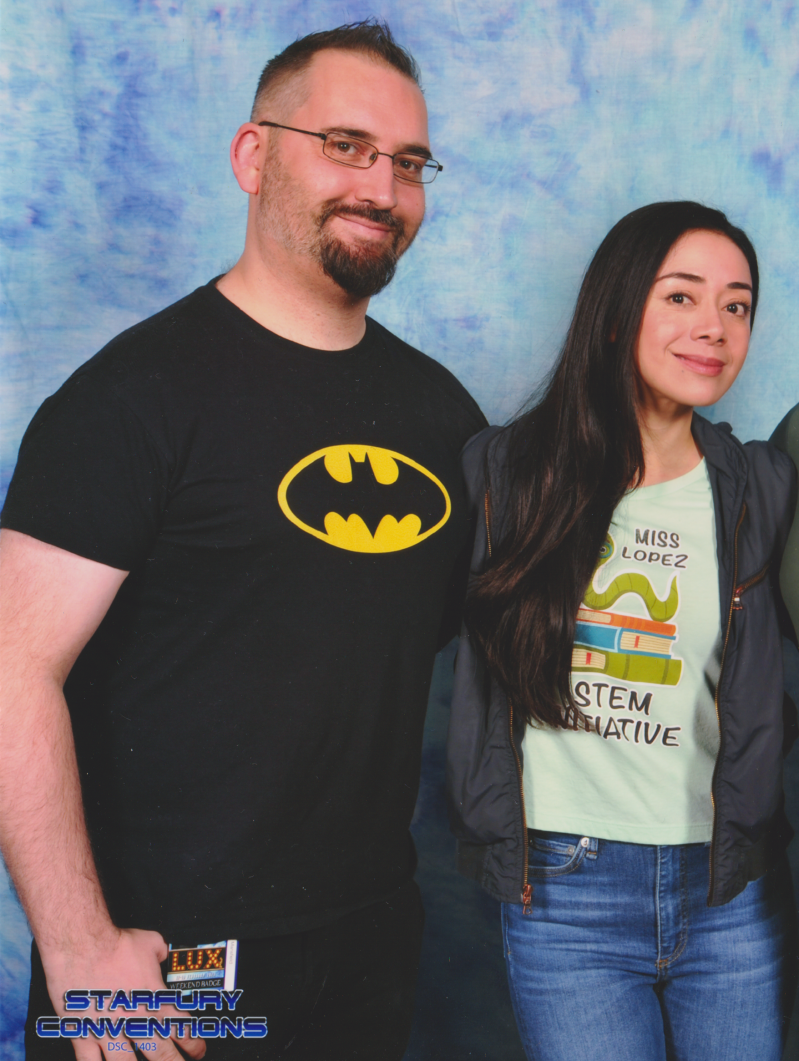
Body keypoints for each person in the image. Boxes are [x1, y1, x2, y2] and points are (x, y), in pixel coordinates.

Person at [0, 20, 485, 1061]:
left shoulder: (444, 417)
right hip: (160, 967)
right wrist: (79, 948)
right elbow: (9, 667)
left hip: (367, 943)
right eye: (346, 145)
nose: (382, 187)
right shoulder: (132, 398)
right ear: (253, 155)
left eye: (408, 163)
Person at [446, 201, 798, 1061]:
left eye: (736, 305)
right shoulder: (504, 473)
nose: (713, 326)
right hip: (565, 889)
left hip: (724, 889)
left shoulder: (761, 485)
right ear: (614, 311)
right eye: (680, 296)